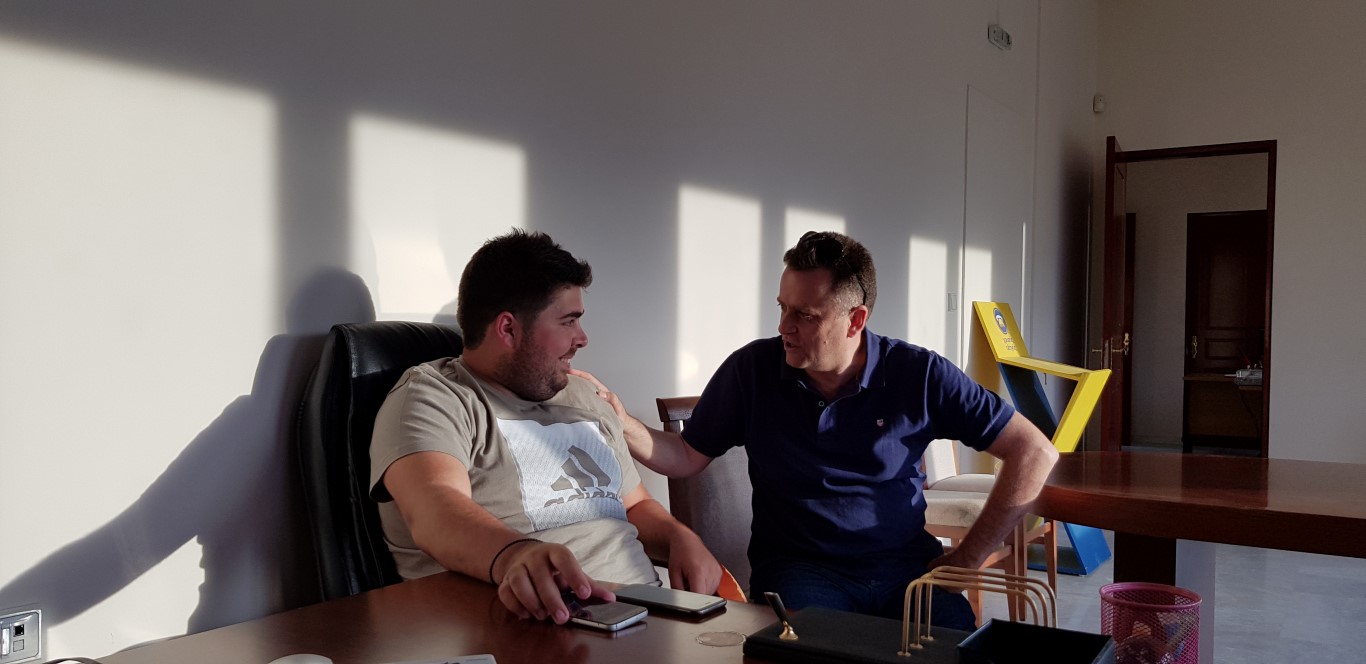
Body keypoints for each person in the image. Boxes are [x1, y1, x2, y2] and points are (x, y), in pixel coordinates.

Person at [574, 230, 1058, 630]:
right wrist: (621, 421)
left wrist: (969, 557)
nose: (784, 326)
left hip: (906, 570)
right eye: (782, 307)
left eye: (804, 316)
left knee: (955, 651)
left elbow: (1034, 452)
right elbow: (684, 456)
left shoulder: (919, 374)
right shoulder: (752, 370)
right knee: (816, 652)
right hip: (802, 571)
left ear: (856, 320)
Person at [369, 229, 720, 626]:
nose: (582, 339)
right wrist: (515, 555)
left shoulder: (585, 396)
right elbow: (436, 510)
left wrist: (678, 537)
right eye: (569, 321)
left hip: (643, 616)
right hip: (528, 625)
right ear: (508, 329)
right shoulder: (435, 397)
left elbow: (634, 505)